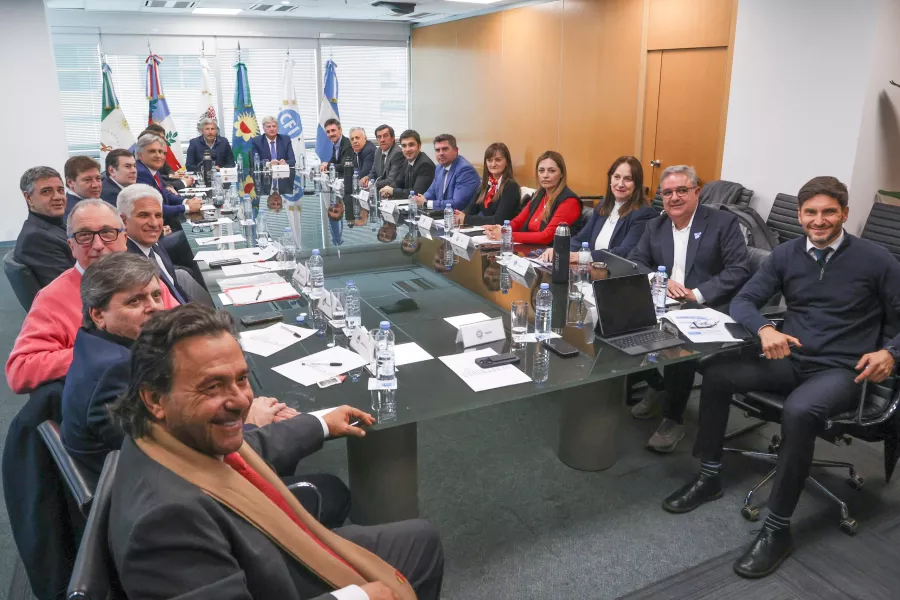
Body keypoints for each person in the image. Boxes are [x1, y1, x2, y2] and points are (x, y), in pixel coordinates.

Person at [107, 304, 444, 599]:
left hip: (267, 547)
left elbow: (249, 447)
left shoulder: (162, 438)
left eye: (241, 379)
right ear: (155, 398)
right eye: (212, 386)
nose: (240, 401)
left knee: (421, 539)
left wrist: (321, 423)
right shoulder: (165, 522)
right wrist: (357, 596)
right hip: (272, 577)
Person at [664, 176, 900, 578]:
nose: (819, 220)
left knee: (799, 411)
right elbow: (745, 300)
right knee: (717, 374)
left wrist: (890, 353)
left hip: (841, 370)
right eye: (811, 212)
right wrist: (764, 329)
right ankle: (709, 476)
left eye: (829, 212)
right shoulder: (786, 254)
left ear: (845, 213)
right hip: (792, 357)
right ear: (800, 215)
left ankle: (777, 529)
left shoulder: (876, 260)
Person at [628, 165, 751, 452]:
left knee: (679, 343)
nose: (674, 198)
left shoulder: (723, 223)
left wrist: (696, 294)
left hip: (708, 307)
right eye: (667, 192)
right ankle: (658, 385)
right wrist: (659, 280)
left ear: (697, 192)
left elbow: (739, 269)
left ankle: (673, 418)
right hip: (665, 301)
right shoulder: (656, 225)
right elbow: (636, 260)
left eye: (682, 190)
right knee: (618, 323)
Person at [5, 200, 180, 394]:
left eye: (107, 233)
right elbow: (21, 369)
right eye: (84, 236)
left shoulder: (146, 281)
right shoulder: (52, 298)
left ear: (124, 238)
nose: (97, 245)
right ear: (71, 246)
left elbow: (180, 326)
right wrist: (100, 353)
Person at [539, 156, 656, 264]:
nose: (620, 184)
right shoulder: (603, 205)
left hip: (616, 274)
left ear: (637, 184)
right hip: (591, 270)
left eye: (628, 179)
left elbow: (625, 252)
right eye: (616, 177)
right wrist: (559, 250)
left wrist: (581, 257)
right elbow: (581, 238)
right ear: (610, 179)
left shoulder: (644, 213)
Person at [484, 151, 581, 246]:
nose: (545, 175)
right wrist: (502, 229)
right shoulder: (540, 195)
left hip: (550, 252)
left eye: (552, 171)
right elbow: (519, 221)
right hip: (530, 249)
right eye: (541, 170)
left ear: (562, 174)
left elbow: (546, 237)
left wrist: (506, 235)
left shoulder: (569, 201)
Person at [118, 183, 190, 304]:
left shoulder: (154, 245)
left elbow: (175, 288)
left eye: (158, 215)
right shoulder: (127, 265)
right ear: (124, 221)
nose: (154, 223)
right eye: (144, 215)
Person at [14, 166, 75, 288]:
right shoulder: (36, 238)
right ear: (28, 198)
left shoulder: (56, 224)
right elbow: (67, 288)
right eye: (46, 192)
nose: (58, 197)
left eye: (60, 190)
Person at [135, 133, 203, 228]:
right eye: (152, 151)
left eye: (161, 152)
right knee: (197, 231)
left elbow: (165, 194)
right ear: (140, 155)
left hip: (165, 222)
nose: (158, 155)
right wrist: (187, 207)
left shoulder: (151, 169)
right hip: (158, 226)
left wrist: (186, 201)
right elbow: (154, 208)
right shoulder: (141, 173)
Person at [456, 142, 521, 227]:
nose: (493, 164)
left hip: (504, 233)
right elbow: (470, 210)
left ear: (507, 162)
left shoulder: (510, 186)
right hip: (487, 231)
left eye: (498, 160)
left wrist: (466, 219)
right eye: (489, 160)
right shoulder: (486, 184)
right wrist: (459, 216)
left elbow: (499, 220)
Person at [415, 134, 479, 211]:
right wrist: (421, 198)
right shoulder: (439, 167)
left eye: (445, 149)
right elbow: (432, 191)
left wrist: (427, 203)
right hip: (442, 214)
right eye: (437, 150)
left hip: (459, 215)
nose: (441, 153)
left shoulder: (465, 170)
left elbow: (457, 204)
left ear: (456, 151)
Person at [380, 130, 436, 200]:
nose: (407, 149)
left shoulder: (425, 164)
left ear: (419, 146)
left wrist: (393, 191)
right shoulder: (407, 160)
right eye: (404, 146)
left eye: (411, 145)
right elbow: (399, 181)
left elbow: (417, 193)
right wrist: (388, 189)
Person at [360, 124, 405, 190]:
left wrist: (372, 184)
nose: (382, 140)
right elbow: (374, 172)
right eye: (379, 137)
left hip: (393, 192)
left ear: (393, 138)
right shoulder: (378, 151)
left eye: (385, 136)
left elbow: (391, 180)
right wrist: (367, 177)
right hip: (381, 190)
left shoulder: (398, 153)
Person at [63, 156, 103, 220]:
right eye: (87, 180)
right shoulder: (75, 212)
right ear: (70, 182)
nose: (95, 185)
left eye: (98, 178)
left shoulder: (90, 202)